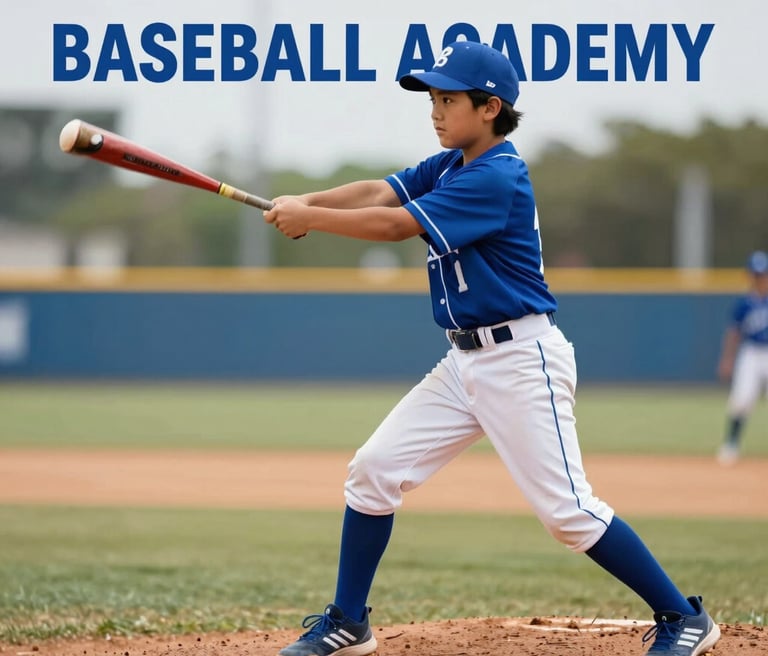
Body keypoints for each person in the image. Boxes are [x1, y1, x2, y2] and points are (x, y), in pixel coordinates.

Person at [263, 41, 720, 656]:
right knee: (373, 471)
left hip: (521, 359)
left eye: (448, 98)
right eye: (433, 97)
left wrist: (310, 219)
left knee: (569, 514)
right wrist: (306, 203)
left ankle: (682, 617)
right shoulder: (448, 165)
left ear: (490, 107)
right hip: (463, 362)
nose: (435, 108)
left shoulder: (495, 174)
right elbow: (380, 193)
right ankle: (349, 620)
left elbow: (399, 225)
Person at [716, 249, 768, 465]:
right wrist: (727, 359)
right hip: (751, 353)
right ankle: (731, 444)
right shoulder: (744, 304)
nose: (758, 278)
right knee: (741, 399)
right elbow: (734, 333)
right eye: (755, 274)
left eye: (762, 274)